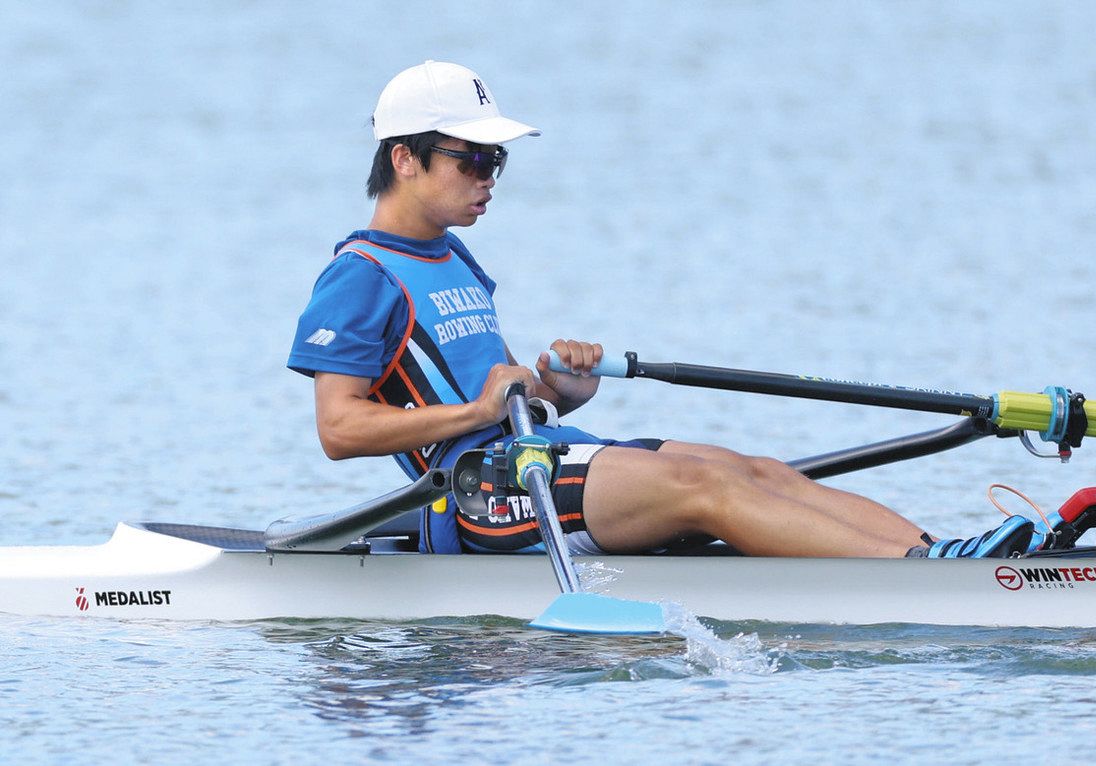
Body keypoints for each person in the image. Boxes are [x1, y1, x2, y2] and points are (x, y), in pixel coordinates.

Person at [288, 60, 1036, 559]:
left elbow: (492, 389)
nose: (491, 178)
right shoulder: (360, 276)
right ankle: (920, 573)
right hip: (477, 493)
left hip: (534, 456)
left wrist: (559, 391)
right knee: (704, 489)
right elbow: (340, 429)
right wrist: (480, 409)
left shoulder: (453, 255)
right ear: (404, 159)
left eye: (498, 161)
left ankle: (941, 557)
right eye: (473, 159)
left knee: (755, 469)